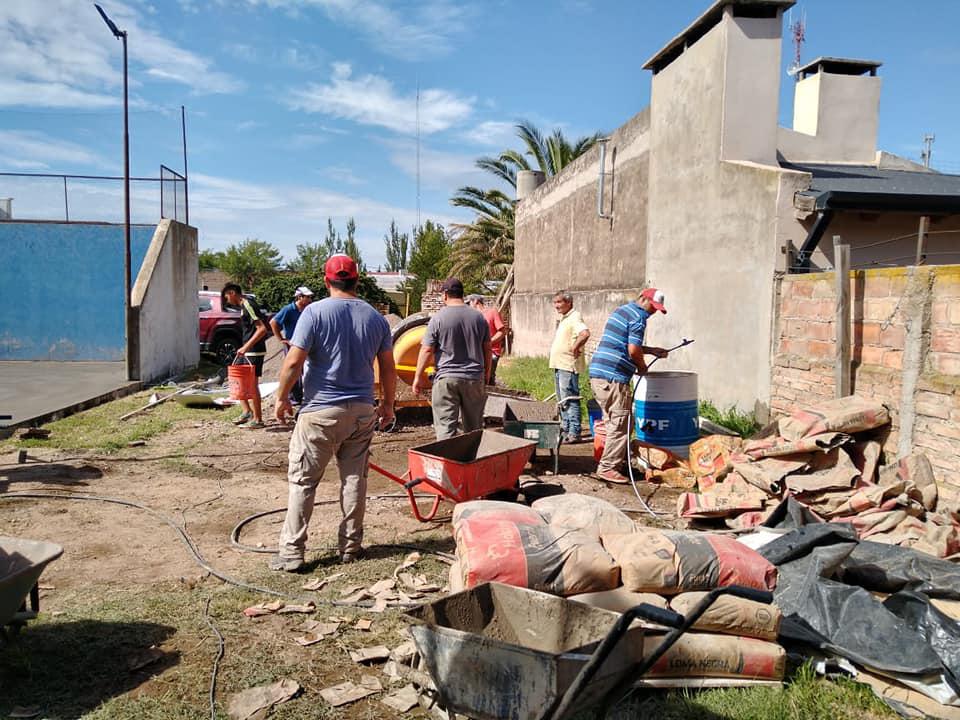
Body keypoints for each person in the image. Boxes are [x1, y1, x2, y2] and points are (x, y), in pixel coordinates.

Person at [271, 254, 396, 571]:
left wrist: (282, 398)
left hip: (320, 412)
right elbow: (388, 368)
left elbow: (293, 362)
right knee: (354, 479)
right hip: (362, 411)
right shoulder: (376, 318)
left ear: (327, 282)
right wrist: (388, 406)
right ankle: (351, 548)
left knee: (303, 482)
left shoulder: (313, 313)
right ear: (356, 281)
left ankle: (291, 553)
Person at [588, 288, 669, 483]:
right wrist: (642, 367)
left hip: (599, 374)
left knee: (615, 422)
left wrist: (650, 350)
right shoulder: (639, 318)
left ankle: (618, 462)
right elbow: (632, 350)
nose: (653, 312)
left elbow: (623, 344)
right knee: (621, 423)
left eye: (658, 309)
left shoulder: (622, 311)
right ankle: (608, 468)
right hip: (614, 378)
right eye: (653, 307)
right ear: (643, 299)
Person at [413, 278, 491, 440]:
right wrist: (487, 374)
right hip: (474, 378)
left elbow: (427, 349)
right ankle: (472, 462)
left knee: (445, 430)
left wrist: (418, 377)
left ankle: (449, 463)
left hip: (446, 380)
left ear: (445, 295)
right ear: (462, 294)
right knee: (474, 429)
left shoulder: (438, 318)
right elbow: (487, 349)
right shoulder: (479, 318)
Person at [222, 283, 270, 429]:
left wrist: (246, 347)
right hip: (248, 349)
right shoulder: (244, 305)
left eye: (226, 297)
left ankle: (258, 419)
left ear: (232, 293)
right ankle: (247, 411)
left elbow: (262, 329)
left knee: (252, 384)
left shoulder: (248, 304)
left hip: (254, 350)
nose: (227, 300)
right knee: (237, 379)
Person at [549, 290, 590, 444]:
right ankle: (566, 430)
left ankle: (574, 432)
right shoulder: (565, 318)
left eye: (559, 302)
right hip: (559, 365)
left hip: (568, 365)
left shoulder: (575, 317)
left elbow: (585, 333)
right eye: (555, 302)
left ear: (568, 303)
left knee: (570, 399)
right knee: (562, 400)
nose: (556, 306)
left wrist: (575, 347)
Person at [270, 286, 314, 404]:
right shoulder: (289, 309)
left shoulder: (307, 310)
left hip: (305, 343)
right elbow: (273, 322)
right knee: (294, 368)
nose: (310, 300)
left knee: (305, 369)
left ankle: (303, 394)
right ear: (300, 297)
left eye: (310, 297)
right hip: (292, 343)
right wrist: (281, 339)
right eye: (307, 297)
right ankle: (294, 397)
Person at [466, 294, 507, 385]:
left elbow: (502, 331)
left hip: (492, 352)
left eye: (469, 303)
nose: (468, 306)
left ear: (476, 301)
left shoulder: (492, 312)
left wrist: (489, 343)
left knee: (488, 379)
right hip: (477, 353)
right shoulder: (472, 316)